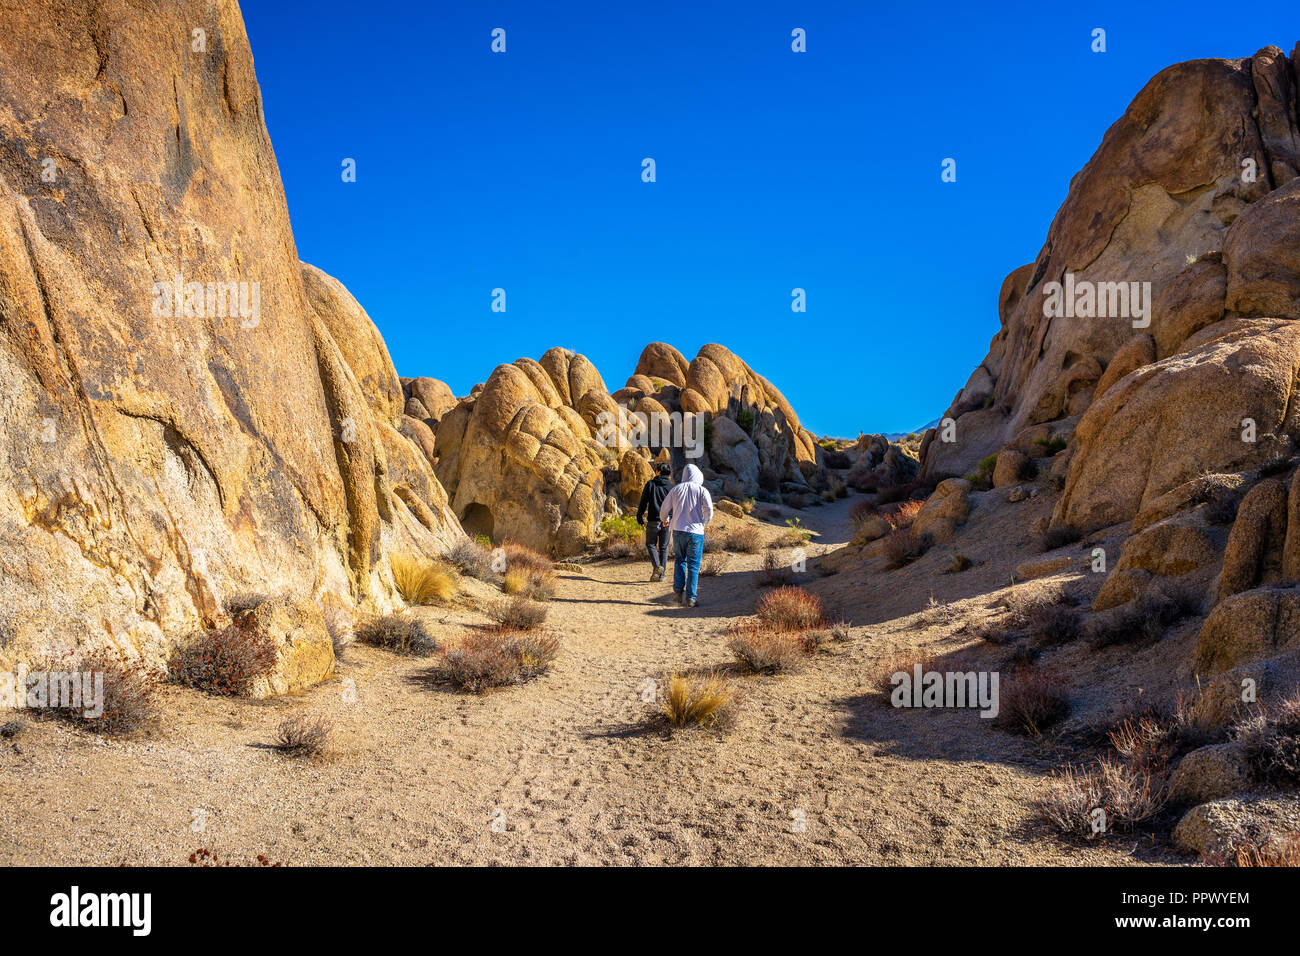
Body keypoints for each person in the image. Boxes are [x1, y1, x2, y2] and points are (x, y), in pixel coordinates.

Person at [659, 463, 714, 607]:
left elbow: (664, 509)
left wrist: (665, 520)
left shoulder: (676, 490)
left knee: (680, 561)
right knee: (694, 565)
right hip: (695, 532)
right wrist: (703, 522)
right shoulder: (702, 490)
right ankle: (691, 598)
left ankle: (678, 594)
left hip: (677, 530)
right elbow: (709, 510)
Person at [636, 462, 674, 581]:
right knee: (664, 547)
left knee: (650, 544)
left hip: (653, 519)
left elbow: (643, 501)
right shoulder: (671, 487)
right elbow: (674, 504)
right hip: (667, 521)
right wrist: (671, 517)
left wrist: (639, 515)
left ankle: (657, 567)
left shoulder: (650, 484)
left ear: (658, 472)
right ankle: (661, 575)